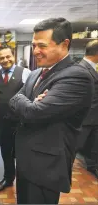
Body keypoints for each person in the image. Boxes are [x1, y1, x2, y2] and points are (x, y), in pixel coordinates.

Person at [9, 18, 94, 204]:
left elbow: (34, 113)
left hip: (45, 167)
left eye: (42, 46)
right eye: (34, 45)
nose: (36, 51)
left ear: (65, 44)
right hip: (25, 159)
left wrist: (30, 105)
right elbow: (13, 99)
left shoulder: (76, 76)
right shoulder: (35, 73)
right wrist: (30, 103)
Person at [0, 45, 31, 192]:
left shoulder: (25, 73)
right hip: (2, 122)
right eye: (1, 58)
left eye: (7, 56)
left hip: (22, 123)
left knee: (23, 153)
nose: (5, 60)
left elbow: (32, 96)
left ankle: (26, 182)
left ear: (13, 56)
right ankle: (8, 179)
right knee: (6, 151)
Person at [76, 40, 98, 179]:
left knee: (93, 146)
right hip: (85, 117)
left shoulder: (92, 67)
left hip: (93, 117)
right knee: (74, 147)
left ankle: (92, 166)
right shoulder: (81, 69)